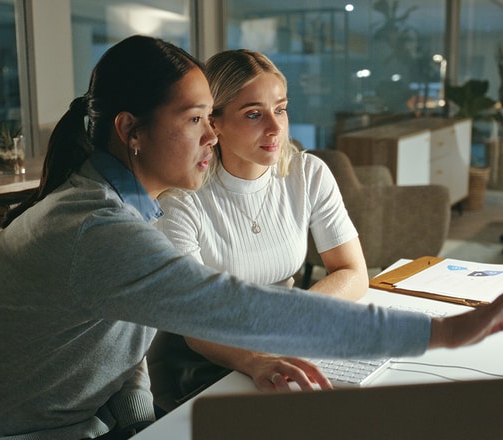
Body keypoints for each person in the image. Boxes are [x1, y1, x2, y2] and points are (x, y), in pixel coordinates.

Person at [0, 35, 503, 440]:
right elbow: (237, 311)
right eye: (196, 119)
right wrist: (435, 333)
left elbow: (127, 360)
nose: (211, 137)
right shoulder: (96, 228)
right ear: (133, 131)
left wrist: (146, 431)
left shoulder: (128, 212)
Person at [149, 49, 369, 410]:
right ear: (213, 123)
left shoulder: (307, 173)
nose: (275, 127)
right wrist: (256, 358)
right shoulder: (183, 199)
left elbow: (353, 271)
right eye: (254, 114)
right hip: (203, 367)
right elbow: (194, 323)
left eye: (280, 109)